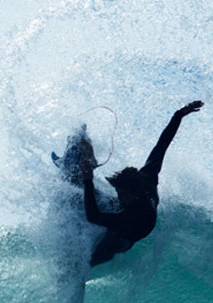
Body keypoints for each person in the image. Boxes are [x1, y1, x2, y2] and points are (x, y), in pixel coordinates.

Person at [78, 100, 203, 266]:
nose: (119, 196)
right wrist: (179, 114)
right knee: (93, 195)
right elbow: (162, 144)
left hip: (127, 235)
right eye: (119, 192)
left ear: (135, 194)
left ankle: (85, 268)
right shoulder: (148, 175)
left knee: (110, 245)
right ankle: (83, 159)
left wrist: (88, 181)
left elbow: (93, 217)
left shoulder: (134, 215)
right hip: (125, 212)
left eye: (123, 194)